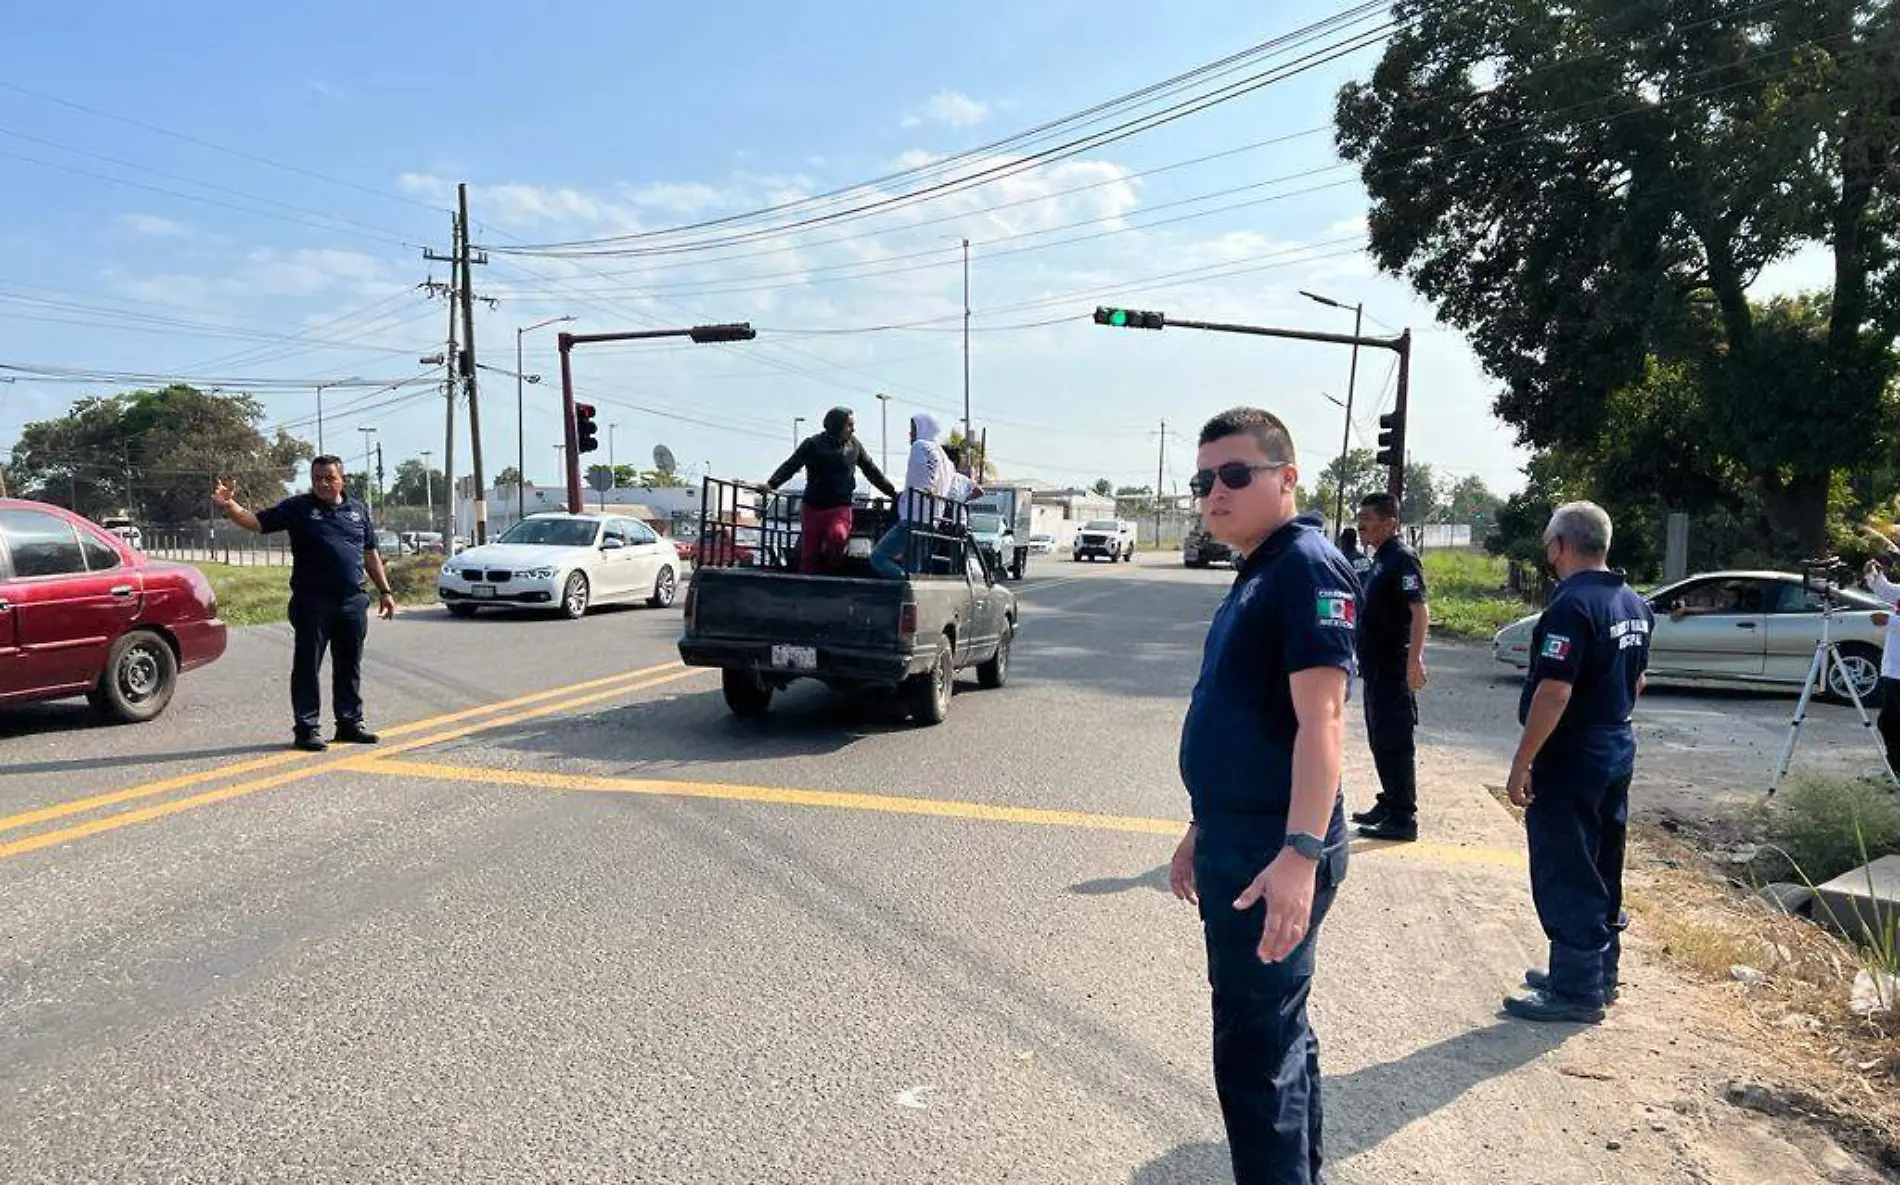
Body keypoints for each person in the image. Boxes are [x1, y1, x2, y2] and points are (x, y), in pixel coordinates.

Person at [1168, 406, 1354, 1184]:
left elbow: (1325, 720)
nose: (1215, 491)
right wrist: (1198, 824)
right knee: (1278, 1036)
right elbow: (1250, 718)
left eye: (1234, 474)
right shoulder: (1261, 568)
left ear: (1286, 477)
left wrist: (1300, 853)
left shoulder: (1305, 565)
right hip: (1240, 836)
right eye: (1204, 478)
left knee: (1253, 1056)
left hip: (1272, 849)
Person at [1504, 501, 1652, 1024]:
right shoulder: (1634, 603)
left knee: (1566, 864)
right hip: (1615, 744)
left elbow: (1554, 692)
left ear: (1559, 546)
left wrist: (1524, 760)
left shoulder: (1571, 606)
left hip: (1571, 752)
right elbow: (1637, 681)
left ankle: (1575, 990)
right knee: (1603, 860)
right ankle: (1595, 972)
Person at [211, 456, 397, 752]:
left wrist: (385, 591)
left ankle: (349, 723)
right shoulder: (298, 508)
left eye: (329, 478)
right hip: (312, 603)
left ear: (342, 479)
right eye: (317, 478)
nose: (322, 483)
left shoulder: (358, 510)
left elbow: (370, 553)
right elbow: (257, 522)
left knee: (349, 665)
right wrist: (229, 507)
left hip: (352, 601)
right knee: (307, 666)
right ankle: (307, 728)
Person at [1349, 492, 1429, 843]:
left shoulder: (1402, 558)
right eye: (1360, 517)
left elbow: (1419, 611)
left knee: (1395, 739)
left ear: (1390, 523)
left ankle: (1404, 817)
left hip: (1394, 665)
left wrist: (1414, 662)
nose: (1360, 524)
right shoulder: (1380, 557)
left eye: (1367, 518)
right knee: (1379, 738)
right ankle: (1390, 800)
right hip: (1375, 666)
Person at [764, 407, 898, 574]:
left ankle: (831, 571)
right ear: (836, 425)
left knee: (838, 536)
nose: (853, 429)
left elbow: (871, 470)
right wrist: (771, 484)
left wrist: (892, 493)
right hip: (813, 506)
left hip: (840, 507)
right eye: (849, 425)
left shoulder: (854, 445)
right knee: (809, 551)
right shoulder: (813, 444)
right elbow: (791, 465)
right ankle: (806, 587)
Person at [870, 412, 955, 579]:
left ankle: (905, 582)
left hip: (914, 516)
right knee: (914, 566)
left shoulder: (922, 446)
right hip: (932, 520)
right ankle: (910, 590)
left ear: (923, 428)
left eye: (913, 429)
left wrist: (925, 488)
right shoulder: (946, 458)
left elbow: (928, 477)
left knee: (878, 557)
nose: (910, 434)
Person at [1861, 556, 1900, 771]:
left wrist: (1889, 620)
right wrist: (1873, 575)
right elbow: (1889, 592)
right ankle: (1895, 771)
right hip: (1893, 670)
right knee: (1889, 723)